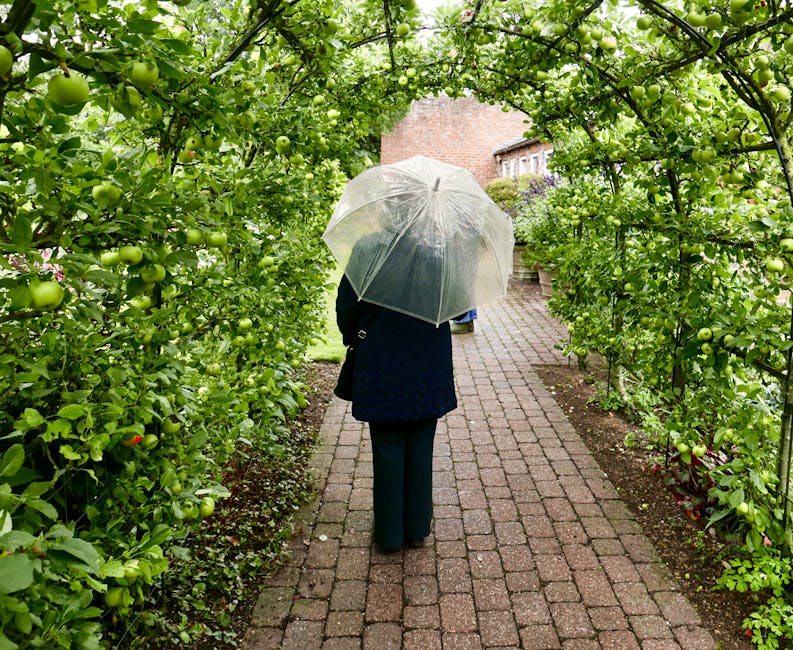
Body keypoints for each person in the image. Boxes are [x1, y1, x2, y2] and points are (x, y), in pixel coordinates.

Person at [335, 272, 458, 553]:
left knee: (387, 447)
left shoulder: (368, 255)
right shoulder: (440, 257)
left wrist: (358, 334)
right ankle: (417, 529)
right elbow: (459, 308)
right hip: (428, 360)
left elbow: (346, 310)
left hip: (381, 359)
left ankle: (389, 534)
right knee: (421, 445)